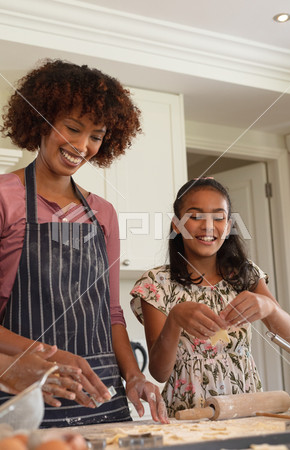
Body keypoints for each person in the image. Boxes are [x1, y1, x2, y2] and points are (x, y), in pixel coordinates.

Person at [0, 59, 168, 426]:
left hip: (101, 391)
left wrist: (134, 376)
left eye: (96, 136)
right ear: (42, 121)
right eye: (73, 129)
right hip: (25, 388)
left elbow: (111, 313)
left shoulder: (103, 213)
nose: (82, 146)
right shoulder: (5, 197)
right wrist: (47, 354)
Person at [130, 177, 290, 417]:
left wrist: (267, 306)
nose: (208, 226)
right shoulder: (156, 284)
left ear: (228, 226)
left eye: (218, 217)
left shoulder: (246, 274)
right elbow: (159, 372)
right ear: (176, 225)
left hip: (247, 410)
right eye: (195, 216)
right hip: (187, 416)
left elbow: (289, 336)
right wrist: (174, 320)